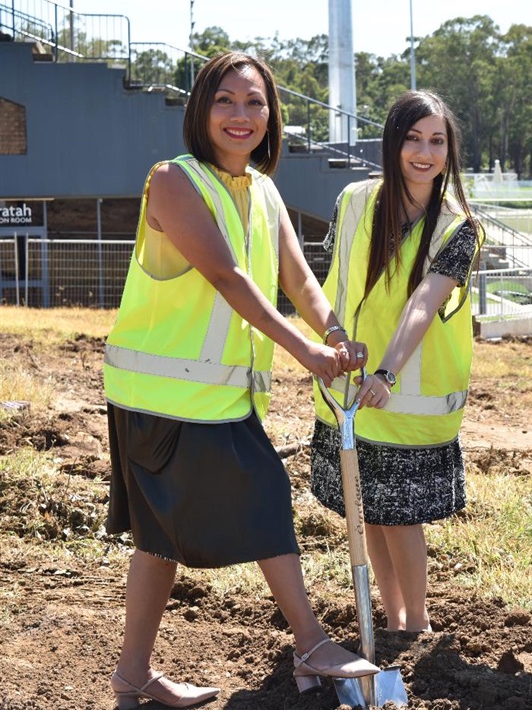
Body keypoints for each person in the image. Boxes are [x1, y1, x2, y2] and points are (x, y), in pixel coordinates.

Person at [103, 51, 380, 708]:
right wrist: (308, 353)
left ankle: (132, 675)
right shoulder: (173, 181)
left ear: (270, 114)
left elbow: (298, 278)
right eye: (226, 100)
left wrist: (335, 332)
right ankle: (310, 640)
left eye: (255, 102)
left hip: (216, 398)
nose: (241, 115)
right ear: (201, 109)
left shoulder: (263, 190)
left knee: (159, 542)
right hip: (163, 398)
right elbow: (231, 280)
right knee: (265, 500)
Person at [309, 90, 481, 634]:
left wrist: (387, 371)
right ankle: (391, 619)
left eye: (437, 141)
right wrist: (331, 341)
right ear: (393, 143)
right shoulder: (353, 201)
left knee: (401, 521)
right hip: (348, 389)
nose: (425, 153)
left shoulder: (459, 229)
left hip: (405, 399)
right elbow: (329, 276)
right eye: (413, 138)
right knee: (370, 517)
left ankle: (417, 624)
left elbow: (423, 304)